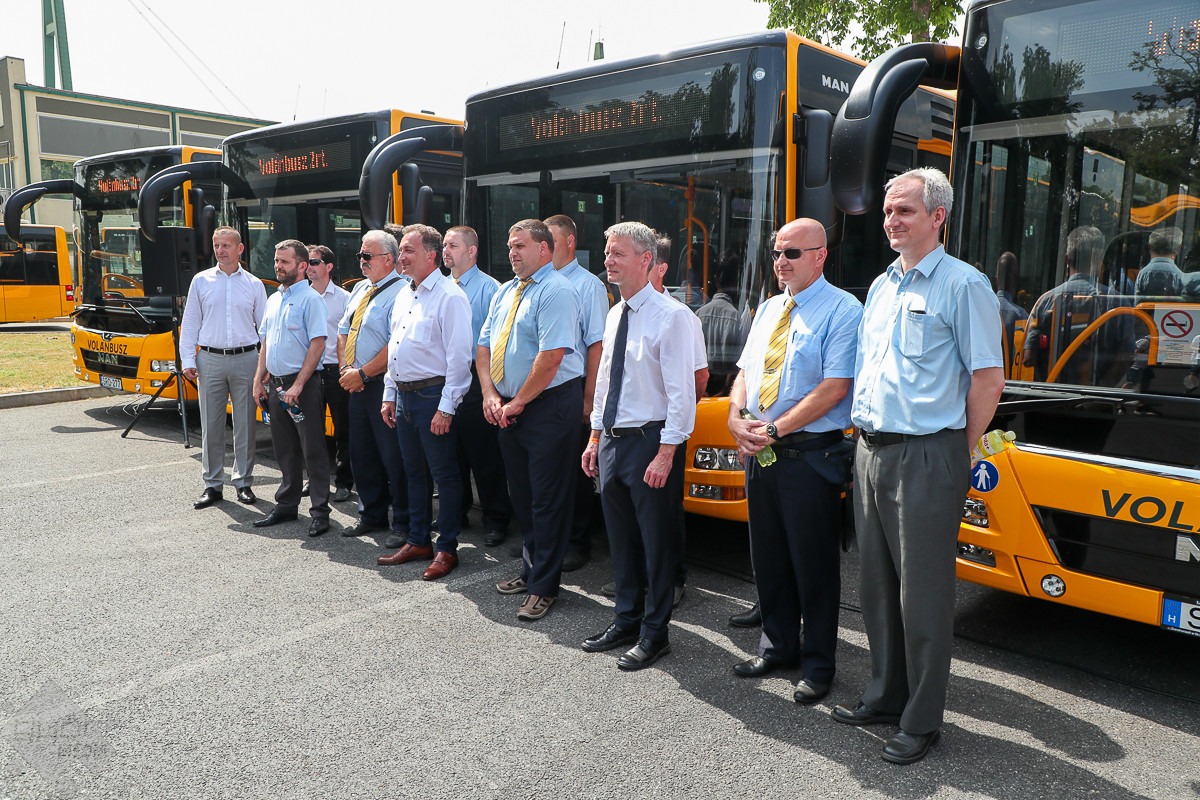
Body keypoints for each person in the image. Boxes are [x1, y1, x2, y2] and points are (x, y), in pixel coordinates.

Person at [837, 167, 1004, 765]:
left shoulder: (964, 285)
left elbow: (988, 378)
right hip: (871, 449)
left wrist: (959, 448)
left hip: (929, 454)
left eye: (904, 210)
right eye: (887, 210)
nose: (891, 220)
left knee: (924, 596)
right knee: (877, 586)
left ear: (938, 216)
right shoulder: (882, 285)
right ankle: (886, 695)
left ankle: (922, 719)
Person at [725, 218, 862, 706]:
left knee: (814, 566)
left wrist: (774, 430)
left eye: (792, 253)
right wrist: (735, 415)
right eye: (777, 252)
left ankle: (818, 664)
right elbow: (745, 372)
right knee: (768, 558)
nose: (780, 261)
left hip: (809, 456)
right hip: (761, 455)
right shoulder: (768, 308)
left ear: (820, 256)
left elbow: (835, 387)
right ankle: (777, 647)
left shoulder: (844, 310)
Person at [580, 221, 696, 671]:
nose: (608, 260)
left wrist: (667, 453)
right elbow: (606, 383)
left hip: (650, 441)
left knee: (656, 543)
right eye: (607, 252)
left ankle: (655, 633)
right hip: (613, 441)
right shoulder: (616, 313)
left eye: (618, 254)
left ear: (647, 260)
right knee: (622, 542)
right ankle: (626, 621)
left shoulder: (672, 317)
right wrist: (595, 437)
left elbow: (682, 394)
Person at [478, 219, 582, 622]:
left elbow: (551, 357)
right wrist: (490, 395)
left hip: (547, 407)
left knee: (547, 499)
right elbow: (484, 346)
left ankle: (544, 587)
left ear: (544, 249)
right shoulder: (506, 291)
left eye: (520, 246)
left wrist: (518, 401)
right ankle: (531, 570)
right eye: (509, 246)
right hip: (509, 406)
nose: (512, 253)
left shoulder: (557, 290)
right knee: (521, 495)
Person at [377, 225, 473, 581]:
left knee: (444, 475)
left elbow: (459, 359)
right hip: (404, 396)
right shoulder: (405, 293)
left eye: (408, 250)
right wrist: (390, 394)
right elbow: (395, 348)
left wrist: (446, 408)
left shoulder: (450, 296)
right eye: (401, 250)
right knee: (413, 473)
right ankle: (418, 541)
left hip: (434, 396)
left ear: (431, 255)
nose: (400, 257)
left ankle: (447, 548)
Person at [180, 226, 267, 509]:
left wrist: (264, 366)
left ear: (240, 249)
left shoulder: (254, 284)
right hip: (210, 359)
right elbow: (190, 323)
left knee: (245, 425)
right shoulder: (200, 281)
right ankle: (213, 485)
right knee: (211, 425)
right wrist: (188, 360)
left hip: (246, 359)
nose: (220, 251)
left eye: (226, 245)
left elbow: (264, 330)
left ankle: (243, 482)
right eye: (216, 245)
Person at [251, 239, 331, 536]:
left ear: (302, 265)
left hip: (303, 388)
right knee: (284, 448)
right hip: (276, 386)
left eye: (284, 261)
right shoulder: (274, 299)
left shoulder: (311, 300)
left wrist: (298, 385)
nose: (278, 266)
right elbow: (266, 343)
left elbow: (318, 344)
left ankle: (320, 511)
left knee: (313, 449)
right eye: (276, 260)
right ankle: (286, 505)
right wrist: (258, 380)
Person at [338, 230, 412, 547]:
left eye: (367, 256)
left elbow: (396, 343)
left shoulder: (403, 292)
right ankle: (372, 515)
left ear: (389, 259)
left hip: (384, 385)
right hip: (355, 382)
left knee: (394, 457)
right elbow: (343, 331)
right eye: (360, 255)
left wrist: (364, 374)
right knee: (362, 453)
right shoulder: (360, 289)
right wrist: (346, 369)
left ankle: (405, 523)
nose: (362, 261)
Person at [544, 214, 608, 572]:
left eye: (551, 241)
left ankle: (577, 542)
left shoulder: (588, 286)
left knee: (574, 472)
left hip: (573, 389)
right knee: (549, 472)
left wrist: (588, 399)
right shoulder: (539, 283)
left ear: (570, 242)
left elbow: (597, 346)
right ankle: (548, 540)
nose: (545, 249)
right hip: (542, 392)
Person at [443, 225, 513, 547]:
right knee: (451, 452)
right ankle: (456, 513)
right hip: (445, 376)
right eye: (445, 245)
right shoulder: (441, 287)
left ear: (471, 251)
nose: (446, 251)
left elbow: (494, 342)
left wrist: (489, 389)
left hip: (475, 376)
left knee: (484, 455)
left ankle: (495, 519)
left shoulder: (489, 289)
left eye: (453, 245)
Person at [1023, 226, 1127, 385]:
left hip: (1050, 395)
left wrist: (1045, 389)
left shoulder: (1045, 301)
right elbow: (1126, 356)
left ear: (1067, 259)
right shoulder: (1117, 303)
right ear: (1098, 260)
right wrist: (1100, 392)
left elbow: (1028, 358)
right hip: (1098, 397)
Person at [306, 244, 353, 503]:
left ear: (329, 266)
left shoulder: (345, 298)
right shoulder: (302, 296)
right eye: (307, 262)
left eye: (314, 262)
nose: (309, 267)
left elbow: (350, 336)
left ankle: (344, 483)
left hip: (336, 371)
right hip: (309, 371)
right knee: (312, 431)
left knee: (343, 430)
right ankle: (315, 480)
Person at [1134, 227, 1186, 303]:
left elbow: (1137, 304)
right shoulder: (1180, 276)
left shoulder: (1142, 274)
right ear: (1178, 248)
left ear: (1150, 247)